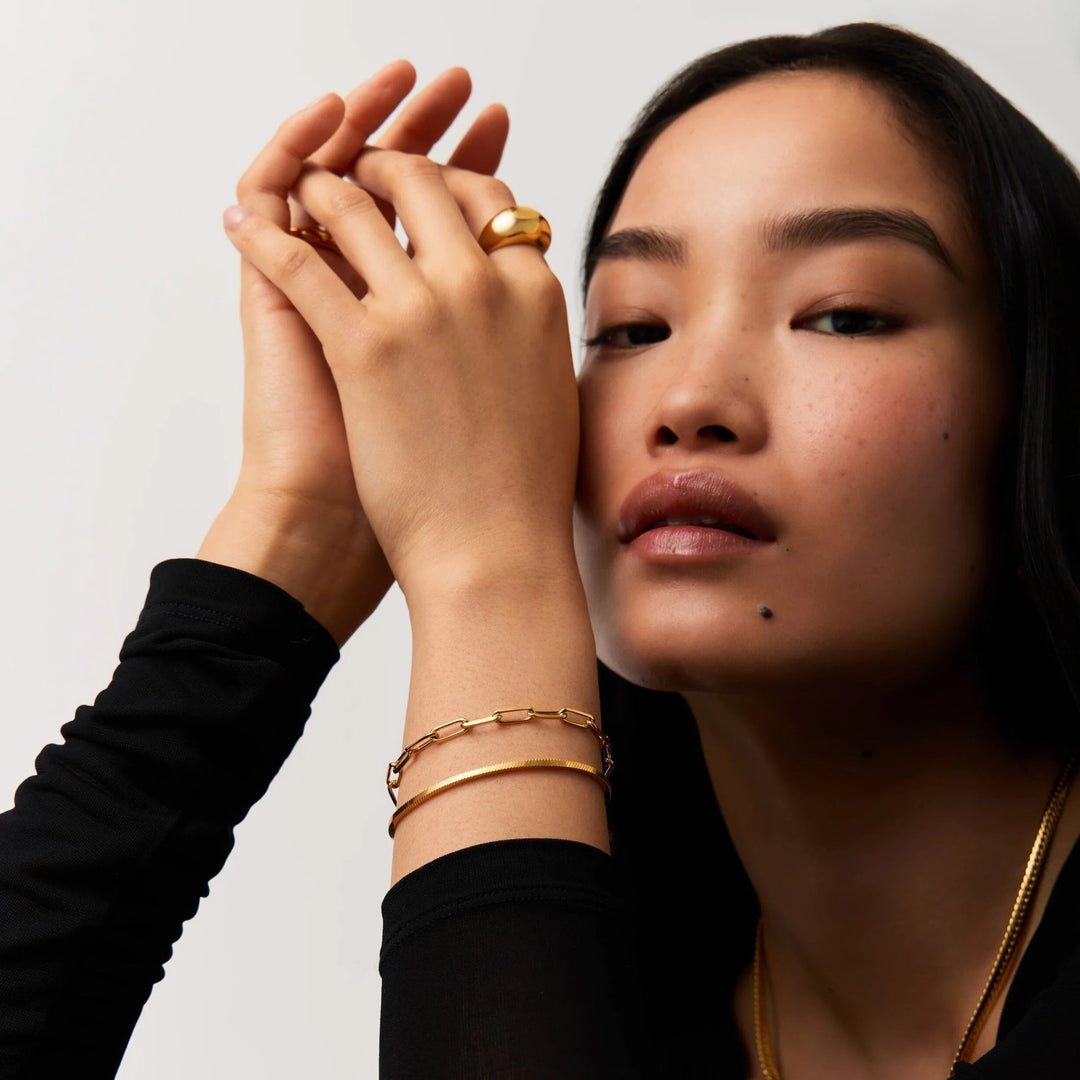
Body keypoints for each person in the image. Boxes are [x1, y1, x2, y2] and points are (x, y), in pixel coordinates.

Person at [3, 20, 1080, 1080]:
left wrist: (488, 572)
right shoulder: (617, 939)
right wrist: (299, 531)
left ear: (1040, 409)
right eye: (630, 329)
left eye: (842, 315)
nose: (691, 399)